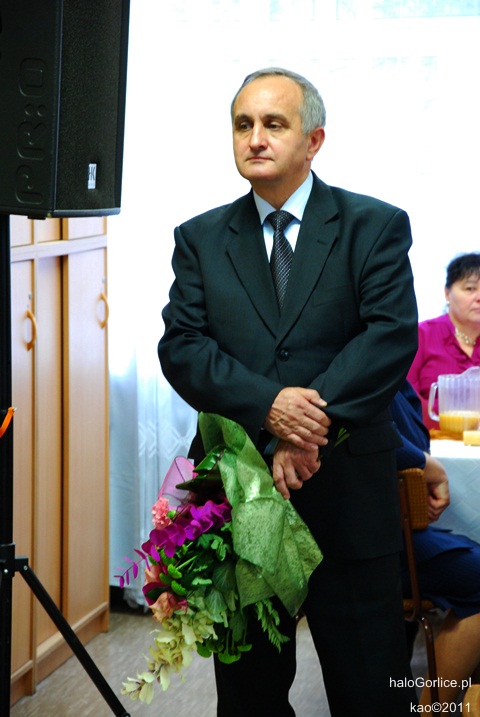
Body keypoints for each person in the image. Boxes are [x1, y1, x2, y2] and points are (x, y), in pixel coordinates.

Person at [158, 67, 419, 716]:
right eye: (243, 124)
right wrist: (269, 409)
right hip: (242, 497)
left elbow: (388, 339)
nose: (255, 138)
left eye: (274, 124)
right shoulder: (200, 238)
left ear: (314, 140)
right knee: (248, 697)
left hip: (348, 494)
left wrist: (305, 429)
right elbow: (182, 347)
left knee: (372, 691)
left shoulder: (374, 225)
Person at [391, 380, 480, 707]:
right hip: (379, 538)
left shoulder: (395, 378)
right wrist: (424, 465)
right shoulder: (365, 372)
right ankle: (432, 710)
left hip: (398, 527)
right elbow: (372, 432)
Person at [407, 252, 480, 427]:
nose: (479, 297)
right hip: (430, 438)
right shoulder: (421, 336)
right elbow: (406, 399)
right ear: (447, 293)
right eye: (470, 289)